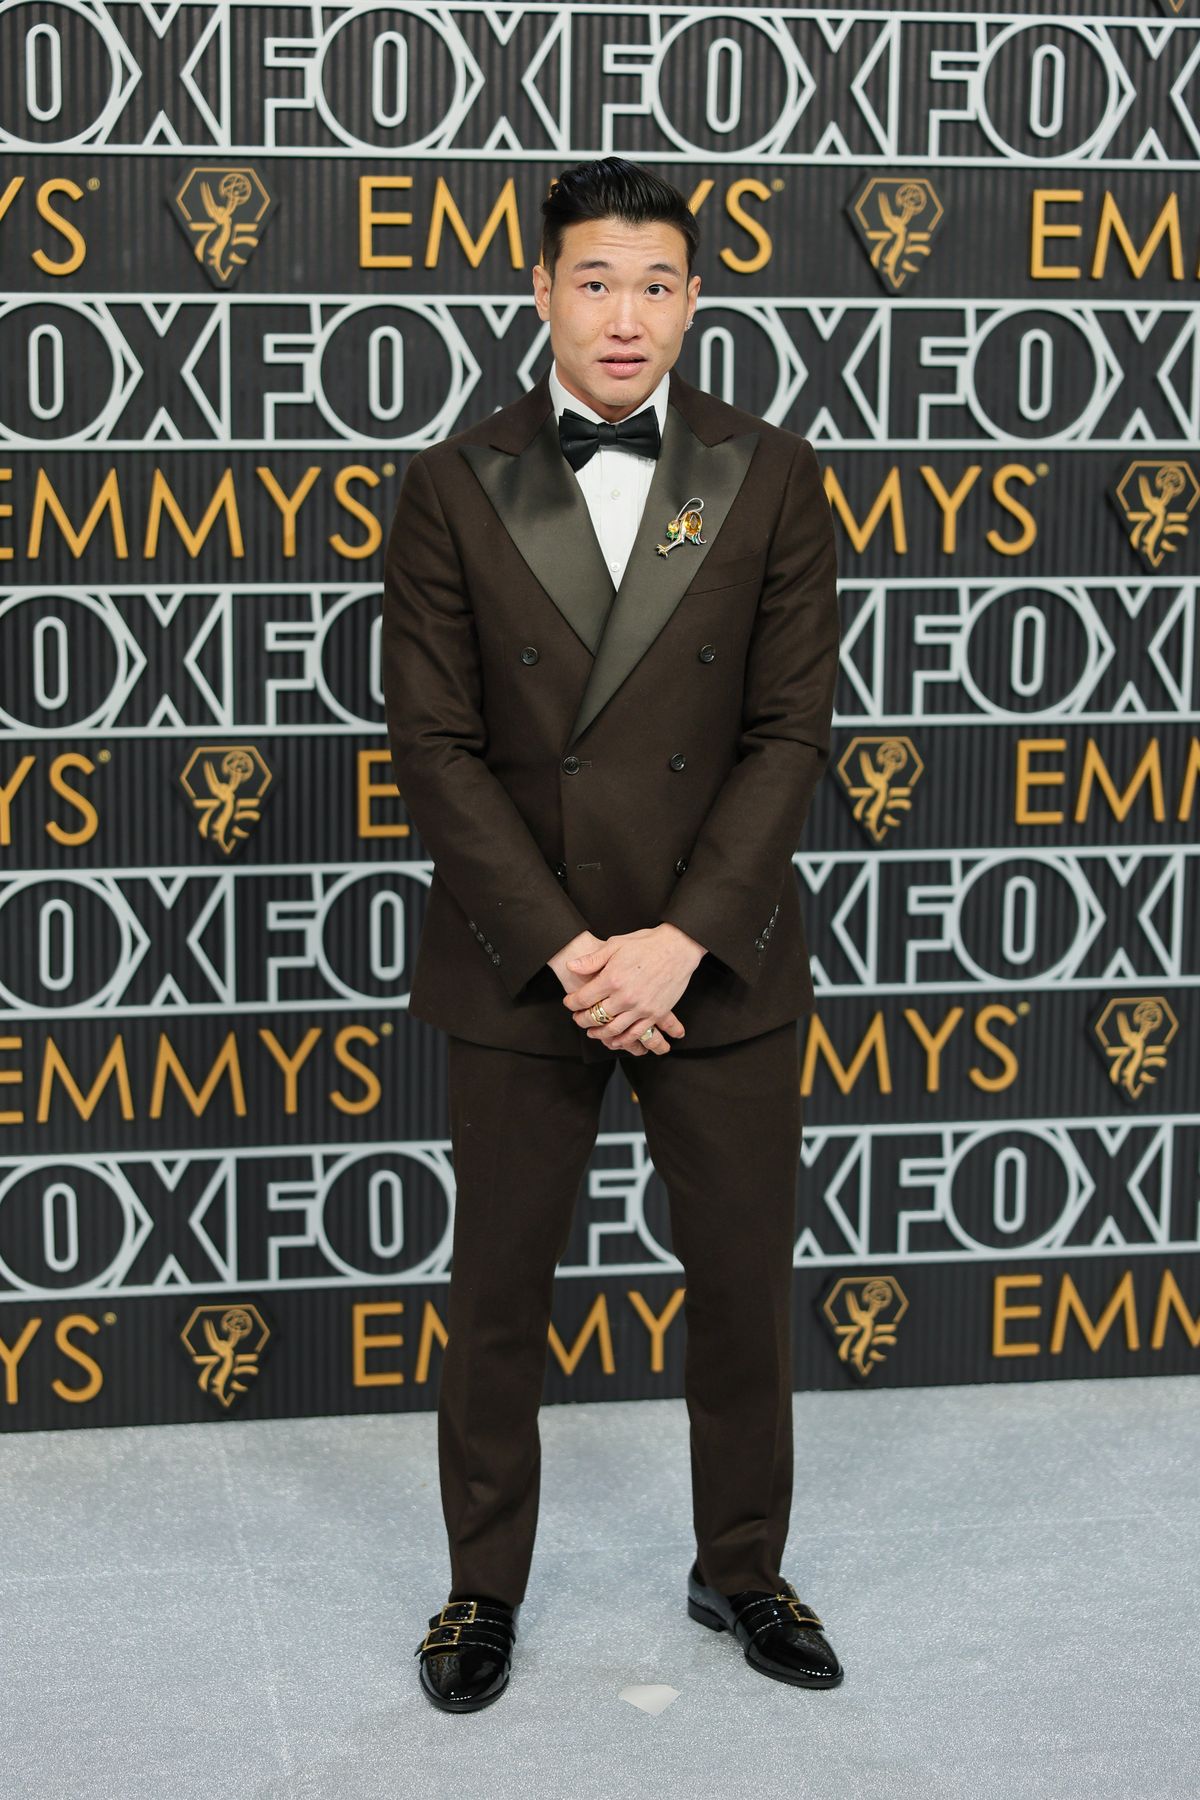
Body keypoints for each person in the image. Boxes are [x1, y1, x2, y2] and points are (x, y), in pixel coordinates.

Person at [382, 155, 842, 1713]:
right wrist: (576, 951)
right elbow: (435, 747)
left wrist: (679, 941)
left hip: (717, 959)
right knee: (498, 1293)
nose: (625, 316)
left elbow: (789, 734)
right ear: (542, 292)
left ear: (694, 298)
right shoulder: (454, 483)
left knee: (743, 1284)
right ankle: (481, 1587)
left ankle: (744, 1567)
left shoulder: (772, 474)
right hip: (527, 960)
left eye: (655, 284)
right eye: (595, 282)